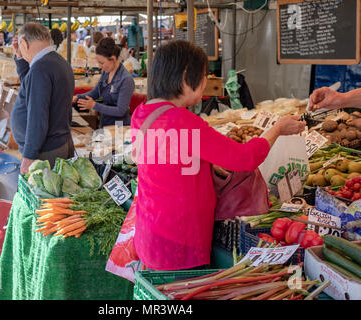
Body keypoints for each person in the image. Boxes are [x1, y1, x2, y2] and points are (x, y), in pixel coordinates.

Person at [130, 40, 306, 271]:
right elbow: (245, 159)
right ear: (185, 76)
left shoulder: (142, 113)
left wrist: (206, 166)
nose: (205, 81)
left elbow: (160, 161)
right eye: (203, 75)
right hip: (179, 241)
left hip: (149, 231)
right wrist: (277, 129)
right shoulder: (183, 121)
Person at [11, 22, 75, 174]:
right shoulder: (58, 62)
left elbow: (37, 117)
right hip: (59, 143)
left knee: (44, 197)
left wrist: (28, 156)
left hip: (46, 151)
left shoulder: (40, 69)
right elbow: (30, 88)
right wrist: (20, 59)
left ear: (24, 43)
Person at [73, 37, 135, 127]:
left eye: (102, 63)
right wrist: (77, 97)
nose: (99, 66)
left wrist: (95, 105)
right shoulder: (106, 73)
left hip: (119, 127)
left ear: (113, 59)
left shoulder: (126, 80)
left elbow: (120, 110)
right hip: (105, 123)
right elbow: (95, 93)